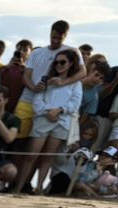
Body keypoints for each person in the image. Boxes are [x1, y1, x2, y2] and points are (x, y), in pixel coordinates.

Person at [14, 21, 85, 190]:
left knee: (48, 157)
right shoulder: (39, 56)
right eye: (57, 62)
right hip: (40, 114)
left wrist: (59, 108)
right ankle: (18, 185)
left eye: (63, 62)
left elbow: (76, 98)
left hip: (61, 120)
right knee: (28, 151)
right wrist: (47, 110)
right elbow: (32, 86)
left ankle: (38, 188)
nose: (59, 64)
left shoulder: (74, 73)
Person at [0, 46, 32, 114]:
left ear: (30, 54)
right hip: (1, 106)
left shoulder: (29, 72)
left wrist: (24, 69)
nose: (21, 52)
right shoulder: (3, 68)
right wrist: (7, 67)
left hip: (18, 108)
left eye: (25, 50)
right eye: (19, 49)